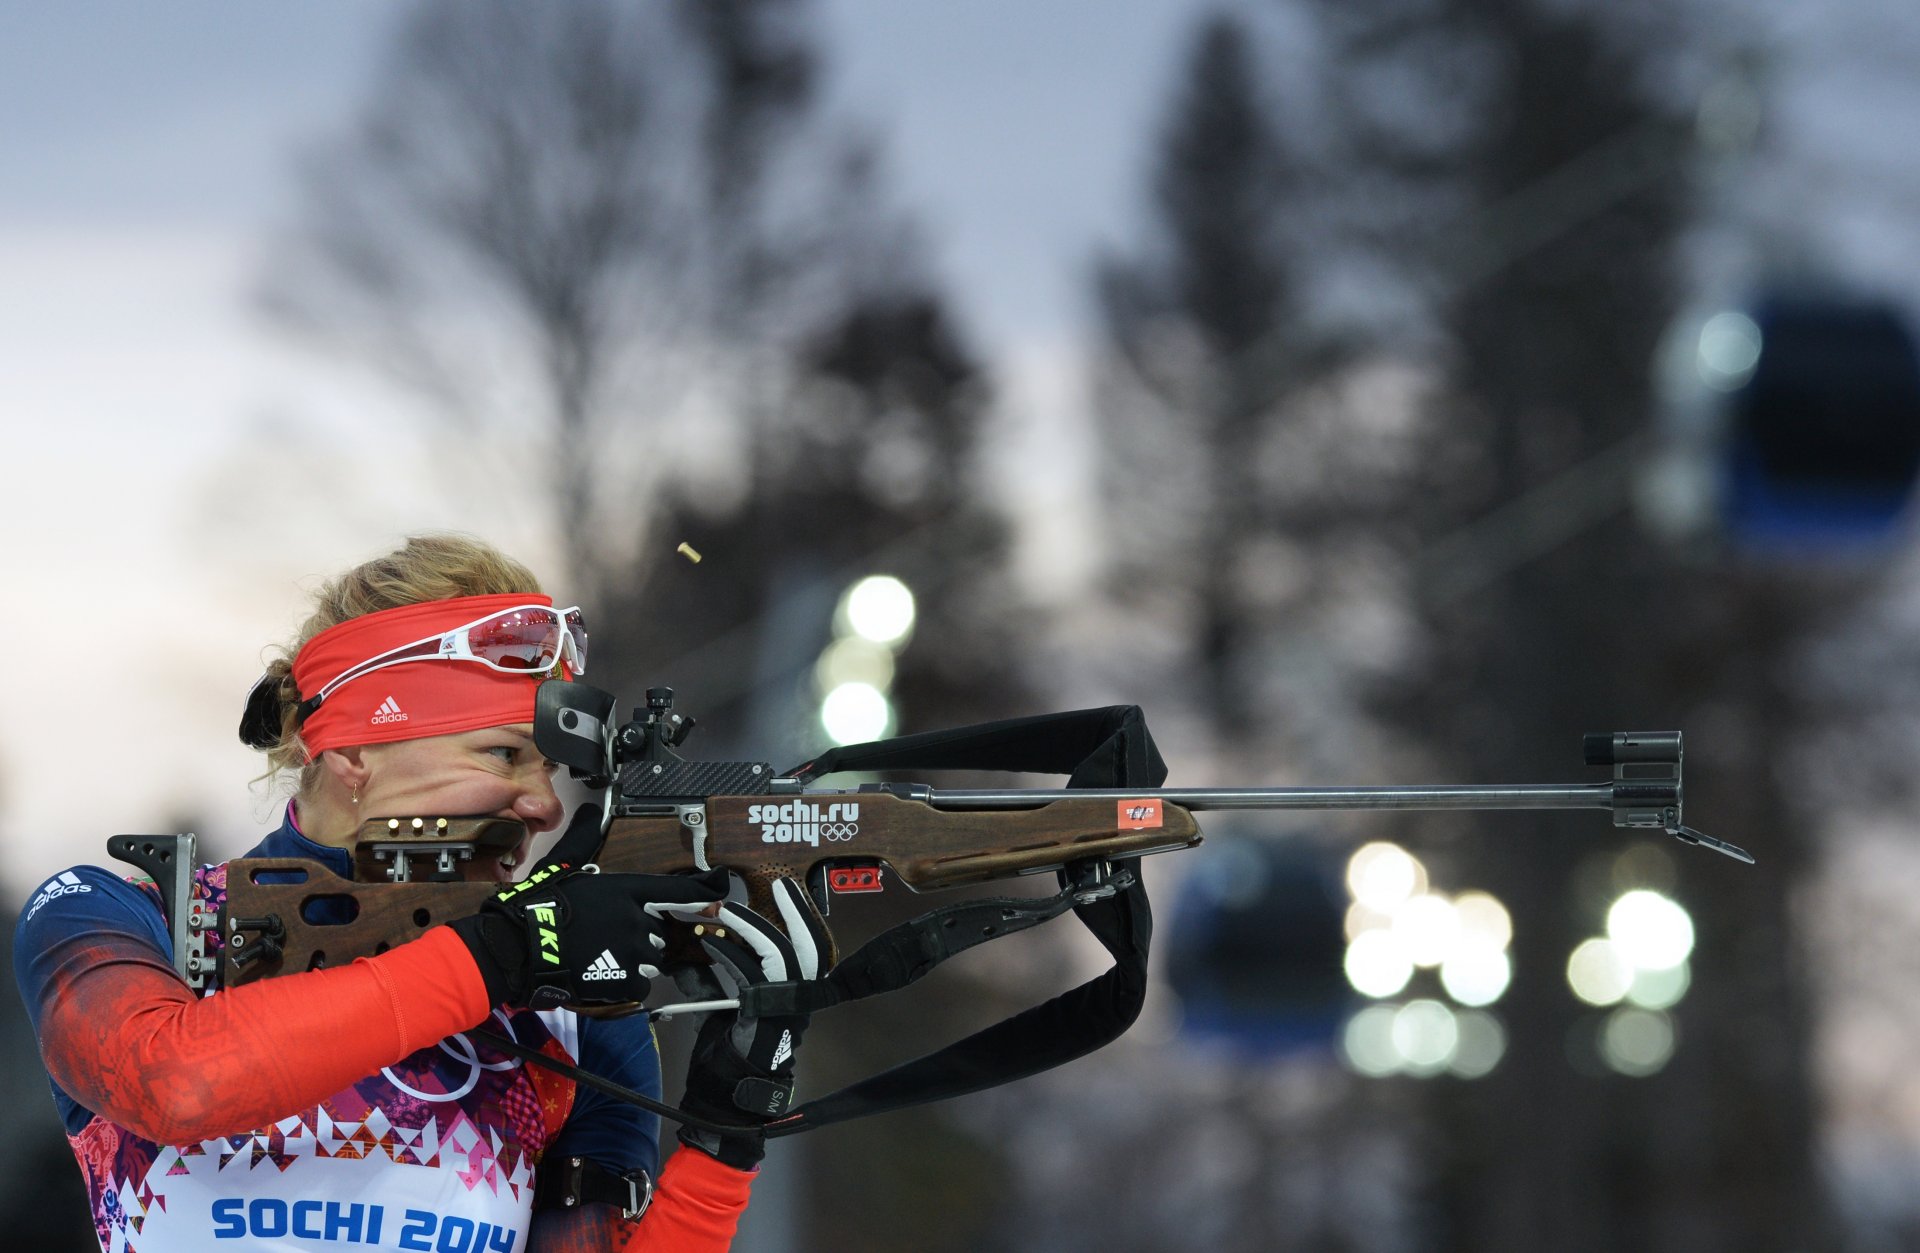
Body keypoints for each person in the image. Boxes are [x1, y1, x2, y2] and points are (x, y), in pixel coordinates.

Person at [14, 534, 813, 1252]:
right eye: (504, 754)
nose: (544, 803)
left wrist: (725, 1128)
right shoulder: (127, 918)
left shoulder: (566, 1013)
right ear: (355, 751)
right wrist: (497, 955)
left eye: (548, 767)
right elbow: (173, 1082)